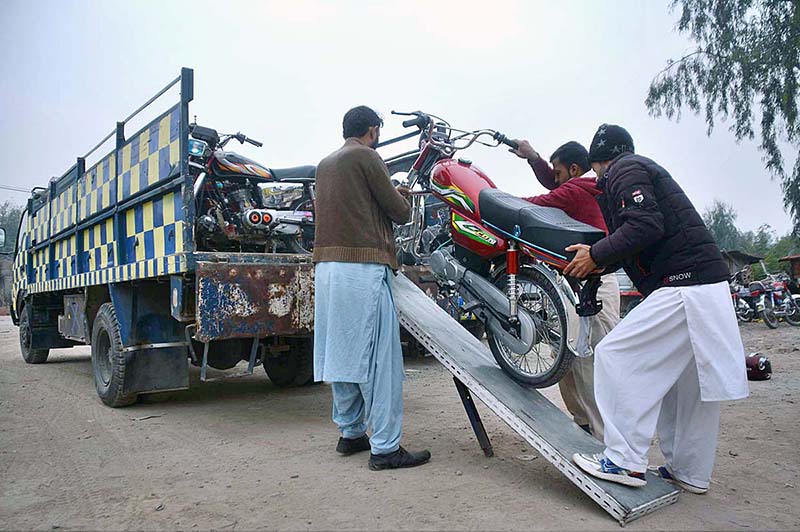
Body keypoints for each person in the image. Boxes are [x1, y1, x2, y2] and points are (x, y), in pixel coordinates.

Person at [567, 124, 749, 492]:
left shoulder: (625, 169)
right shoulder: (641, 168)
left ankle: (623, 461)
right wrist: (602, 262)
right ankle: (689, 472)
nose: (597, 176)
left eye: (595, 167)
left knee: (616, 355)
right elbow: (643, 237)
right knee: (687, 386)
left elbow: (645, 225)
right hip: (707, 286)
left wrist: (596, 253)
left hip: (685, 283)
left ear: (600, 160)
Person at [313, 105, 431, 471]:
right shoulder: (368, 157)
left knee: (342, 354)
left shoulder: (325, 164)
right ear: (373, 130)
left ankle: (350, 434)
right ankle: (385, 447)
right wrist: (404, 194)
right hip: (362, 268)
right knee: (381, 361)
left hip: (327, 268)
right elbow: (399, 212)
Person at [511, 139, 620, 440]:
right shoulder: (582, 187)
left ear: (574, 169)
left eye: (558, 173)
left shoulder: (576, 190)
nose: (554, 181)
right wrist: (534, 158)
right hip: (580, 285)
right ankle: (584, 426)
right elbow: (555, 187)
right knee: (570, 360)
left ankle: (604, 442)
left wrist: (486, 197)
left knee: (588, 362)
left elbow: (532, 204)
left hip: (592, 286)